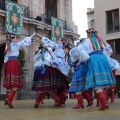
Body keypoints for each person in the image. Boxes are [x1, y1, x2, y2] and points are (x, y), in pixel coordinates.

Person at [77, 28, 116, 110]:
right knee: (103, 82)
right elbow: (109, 50)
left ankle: (104, 103)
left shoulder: (86, 41)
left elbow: (80, 50)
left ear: (88, 34)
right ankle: (104, 102)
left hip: (94, 59)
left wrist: (82, 60)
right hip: (103, 59)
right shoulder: (101, 41)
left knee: (96, 83)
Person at [3, 33, 37, 108]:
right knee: (15, 84)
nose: (17, 39)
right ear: (12, 39)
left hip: (9, 63)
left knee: (11, 84)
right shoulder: (16, 45)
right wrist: (32, 35)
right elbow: (25, 41)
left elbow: (5, 59)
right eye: (15, 38)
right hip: (14, 63)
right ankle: (8, 99)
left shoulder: (7, 46)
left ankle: (7, 99)